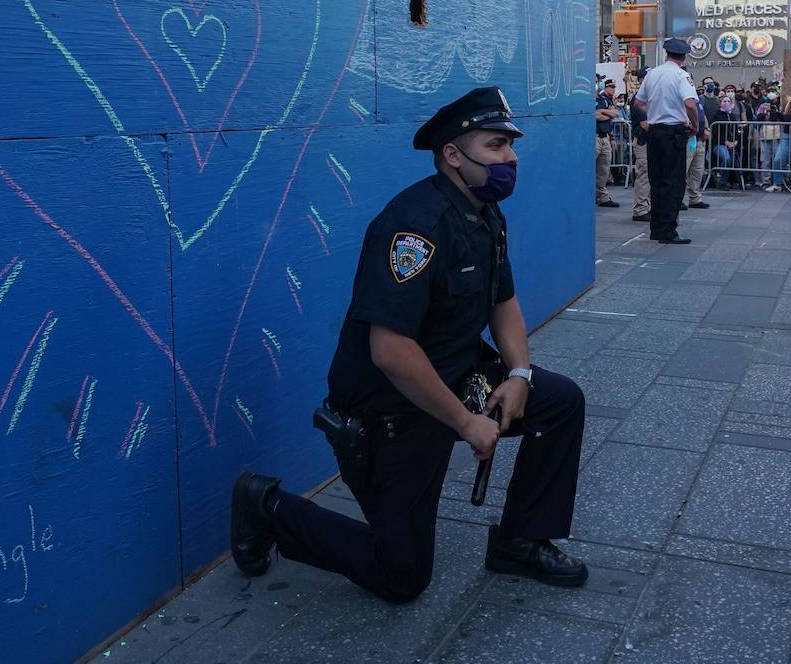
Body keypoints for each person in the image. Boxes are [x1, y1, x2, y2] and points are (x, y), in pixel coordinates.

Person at [229, 87, 589, 603]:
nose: (510, 158)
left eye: (510, 146)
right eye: (495, 146)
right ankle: (266, 506)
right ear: (452, 156)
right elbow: (391, 352)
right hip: (392, 410)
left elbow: (502, 301)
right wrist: (466, 424)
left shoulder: (484, 213)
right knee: (400, 575)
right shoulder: (414, 229)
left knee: (558, 402)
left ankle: (519, 540)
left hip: (455, 377)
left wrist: (518, 376)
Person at [633, 38, 699, 244]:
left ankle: (656, 229)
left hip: (654, 132)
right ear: (684, 56)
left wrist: (654, 112)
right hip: (673, 132)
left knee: (657, 179)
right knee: (674, 182)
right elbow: (690, 103)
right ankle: (668, 231)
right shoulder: (681, 75)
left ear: (666, 53)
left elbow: (638, 102)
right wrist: (694, 124)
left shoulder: (652, 74)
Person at [630, 69, 651, 222]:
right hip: (643, 140)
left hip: (651, 141)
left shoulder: (650, 98)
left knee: (650, 175)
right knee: (644, 174)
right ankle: (640, 209)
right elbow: (645, 124)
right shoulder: (639, 99)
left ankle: (647, 206)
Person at [594, 80, 619, 208]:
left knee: (603, 170)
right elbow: (596, 116)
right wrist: (608, 114)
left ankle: (602, 197)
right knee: (590, 168)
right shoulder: (591, 99)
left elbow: (615, 113)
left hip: (605, 137)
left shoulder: (604, 99)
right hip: (594, 137)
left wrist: (606, 113)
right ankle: (590, 195)